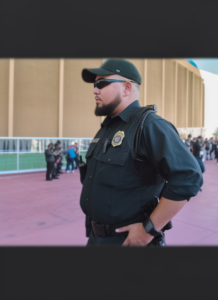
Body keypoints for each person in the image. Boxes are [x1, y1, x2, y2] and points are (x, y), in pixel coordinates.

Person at [80, 59, 202, 247]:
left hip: (129, 241)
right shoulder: (107, 127)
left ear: (127, 88)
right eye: (94, 85)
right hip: (96, 238)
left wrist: (149, 230)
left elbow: (188, 177)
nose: (95, 90)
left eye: (101, 83)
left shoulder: (149, 125)